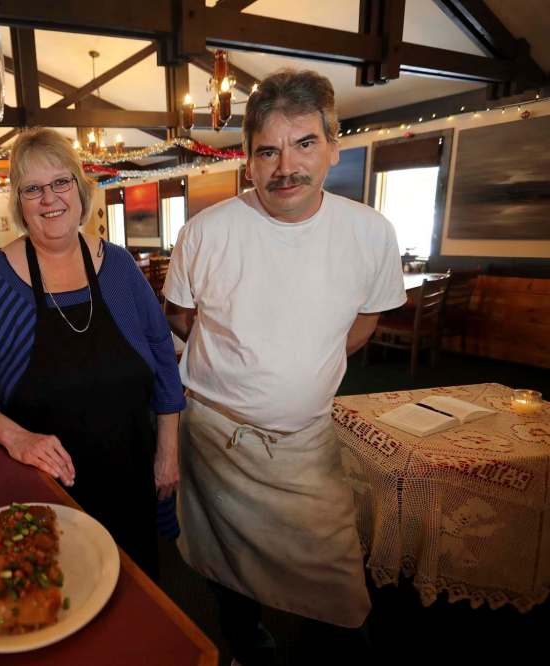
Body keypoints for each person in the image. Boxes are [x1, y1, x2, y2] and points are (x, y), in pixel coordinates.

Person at [163, 69, 406, 665]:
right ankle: (250, 650)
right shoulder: (205, 232)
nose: (285, 167)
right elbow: (180, 317)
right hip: (216, 443)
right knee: (227, 573)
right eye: (267, 151)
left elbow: (366, 318)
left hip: (306, 445)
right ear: (248, 161)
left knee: (338, 584)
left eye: (304, 144)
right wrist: (248, 367)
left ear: (333, 148)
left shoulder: (371, 233)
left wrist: (306, 362)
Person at [0, 127, 184, 578]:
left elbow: (163, 356)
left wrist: (168, 450)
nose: (49, 198)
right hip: (45, 491)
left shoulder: (119, 267)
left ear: (79, 188)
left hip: (130, 478)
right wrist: (16, 437)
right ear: (19, 202)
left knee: (136, 594)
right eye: (32, 188)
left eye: (60, 182)